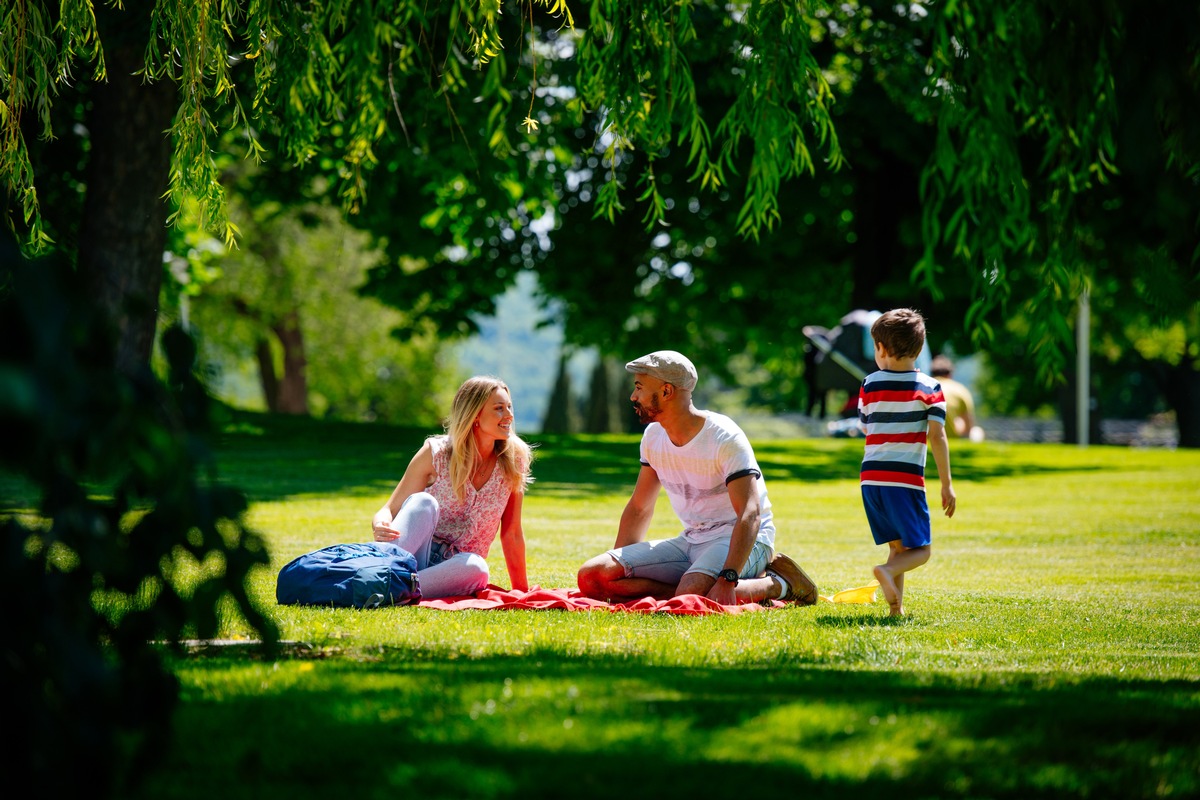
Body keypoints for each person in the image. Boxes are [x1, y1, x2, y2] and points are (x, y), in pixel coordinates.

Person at [576, 350, 818, 606]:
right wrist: (620, 563)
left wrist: (728, 578)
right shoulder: (653, 437)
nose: (633, 396)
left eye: (639, 387)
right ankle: (695, 586)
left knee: (690, 598)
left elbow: (750, 513)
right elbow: (639, 507)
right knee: (593, 576)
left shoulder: (724, 437)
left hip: (746, 540)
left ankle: (779, 584)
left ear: (667, 391)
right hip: (691, 540)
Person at [371, 376, 534, 599]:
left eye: (509, 406)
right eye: (499, 408)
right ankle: (384, 578)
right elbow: (389, 510)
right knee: (423, 502)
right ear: (475, 415)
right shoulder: (435, 453)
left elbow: (512, 532)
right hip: (414, 553)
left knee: (477, 568)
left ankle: (386, 588)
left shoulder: (514, 460)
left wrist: (522, 592)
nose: (509, 415)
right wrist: (380, 523)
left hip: (455, 568)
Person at [858, 309, 956, 616]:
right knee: (921, 551)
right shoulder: (929, 388)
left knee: (897, 548)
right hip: (904, 480)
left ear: (881, 349)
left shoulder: (870, 384)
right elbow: (937, 438)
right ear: (920, 349)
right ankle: (885, 573)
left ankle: (894, 609)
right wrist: (947, 484)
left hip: (871, 480)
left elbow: (865, 425)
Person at [930, 354, 982, 440]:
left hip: (928, 437)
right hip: (952, 437)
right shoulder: (960, 389)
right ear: (950, 374)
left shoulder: (925, 389)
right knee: (977, 431)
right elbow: (968, 427)